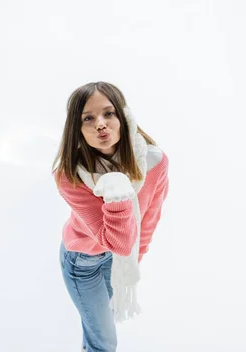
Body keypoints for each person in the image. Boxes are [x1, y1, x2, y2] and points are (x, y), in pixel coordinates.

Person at [52, 81, 170, 352]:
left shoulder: (154, 163)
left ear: (124, 116)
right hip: (82, 262)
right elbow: (111, 240)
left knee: (96, 331)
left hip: (118, 258)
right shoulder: (70, 175)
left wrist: (134, 260)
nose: (101, 124)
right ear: (77, 129)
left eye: (109, 113)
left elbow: (149, 217)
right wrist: (116, 193)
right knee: (104, 341)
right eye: (88, 118)